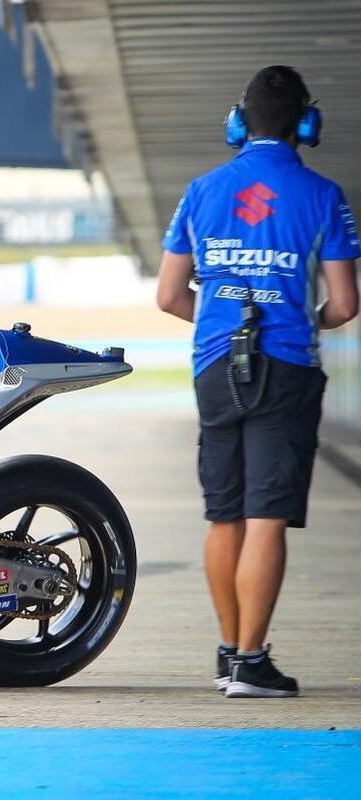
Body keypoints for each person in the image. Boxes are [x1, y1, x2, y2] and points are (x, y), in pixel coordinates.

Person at [156, 66, 359, 698]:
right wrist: (299, 316)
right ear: (307, 123)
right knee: (265, 517)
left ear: (238, 124)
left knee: (225, 517)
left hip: (216, 366)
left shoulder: (200, 191)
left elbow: (169, 296)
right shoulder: (323, 195)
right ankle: (252, 661)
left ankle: (228, 655)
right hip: (287, 366)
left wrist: (219, 315)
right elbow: (344, 304)